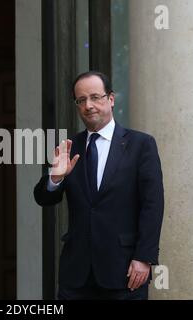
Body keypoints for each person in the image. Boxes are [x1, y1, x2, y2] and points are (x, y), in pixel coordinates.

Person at [34, 71, 164, 300]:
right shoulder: (68, 148)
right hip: (76, 275)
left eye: (96, 97)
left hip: (125, 271)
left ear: (111, 99)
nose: (88, 105)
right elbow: (44, 198)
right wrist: (55, 178)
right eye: (81, 100)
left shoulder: (140, 145)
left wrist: (144, 257)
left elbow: (152, 205)